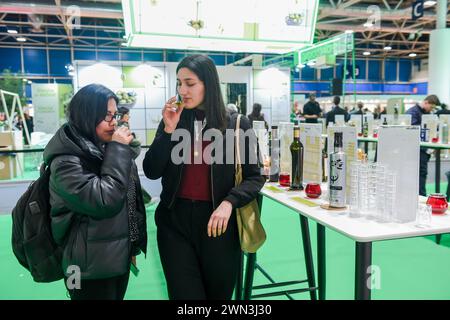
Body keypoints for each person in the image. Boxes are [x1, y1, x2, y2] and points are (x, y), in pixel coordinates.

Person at [143, 54, 265, 300]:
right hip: (173, 224)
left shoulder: (237, 124)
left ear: (208, 84)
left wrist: (229, 202)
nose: (182, 90)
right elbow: (151, 170)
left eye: (190, 83)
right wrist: (168, 130)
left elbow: (255, 176)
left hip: (218, 225)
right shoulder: (173, 120)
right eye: (179, 83)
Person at [42, 84, 147, 300]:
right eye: (106, 116)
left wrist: (131, 246)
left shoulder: (103, 148)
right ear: (87, 116)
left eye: (114, 114)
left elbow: (128, 200)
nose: (114, 122)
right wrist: (119, 149)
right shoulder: (66, 160)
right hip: (83, 268)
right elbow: (104, 200)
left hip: (115, 259)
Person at [406, 94, 441, 196]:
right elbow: (412, 130)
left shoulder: (424, 113)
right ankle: (421, 196)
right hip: (416, 150)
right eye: (431, 107)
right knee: (419, 173)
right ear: (426, 102)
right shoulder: (413, 112)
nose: (431, 110)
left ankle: (420, 196)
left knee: (421, 173)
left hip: (423, 149)